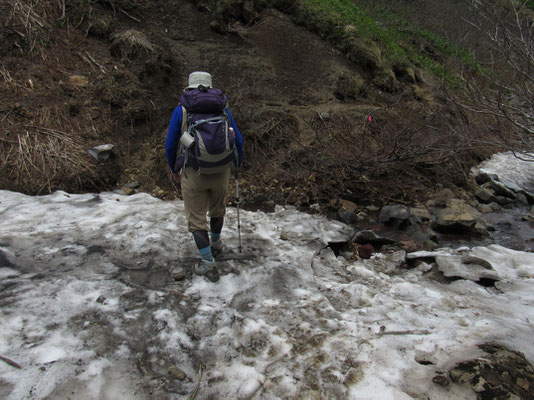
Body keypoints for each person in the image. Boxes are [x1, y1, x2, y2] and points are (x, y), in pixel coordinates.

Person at [165, 71, 243, 282]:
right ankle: (216, 244)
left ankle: (208, 264)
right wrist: (237, 164)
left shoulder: (182, 110)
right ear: (210, 86)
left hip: (193, 172)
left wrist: (174, 168)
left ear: (189, 87)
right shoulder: (222, 108)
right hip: (221, 171)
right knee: (218, 210)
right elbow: (239, 140)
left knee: (197, 220)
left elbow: (171, 144)